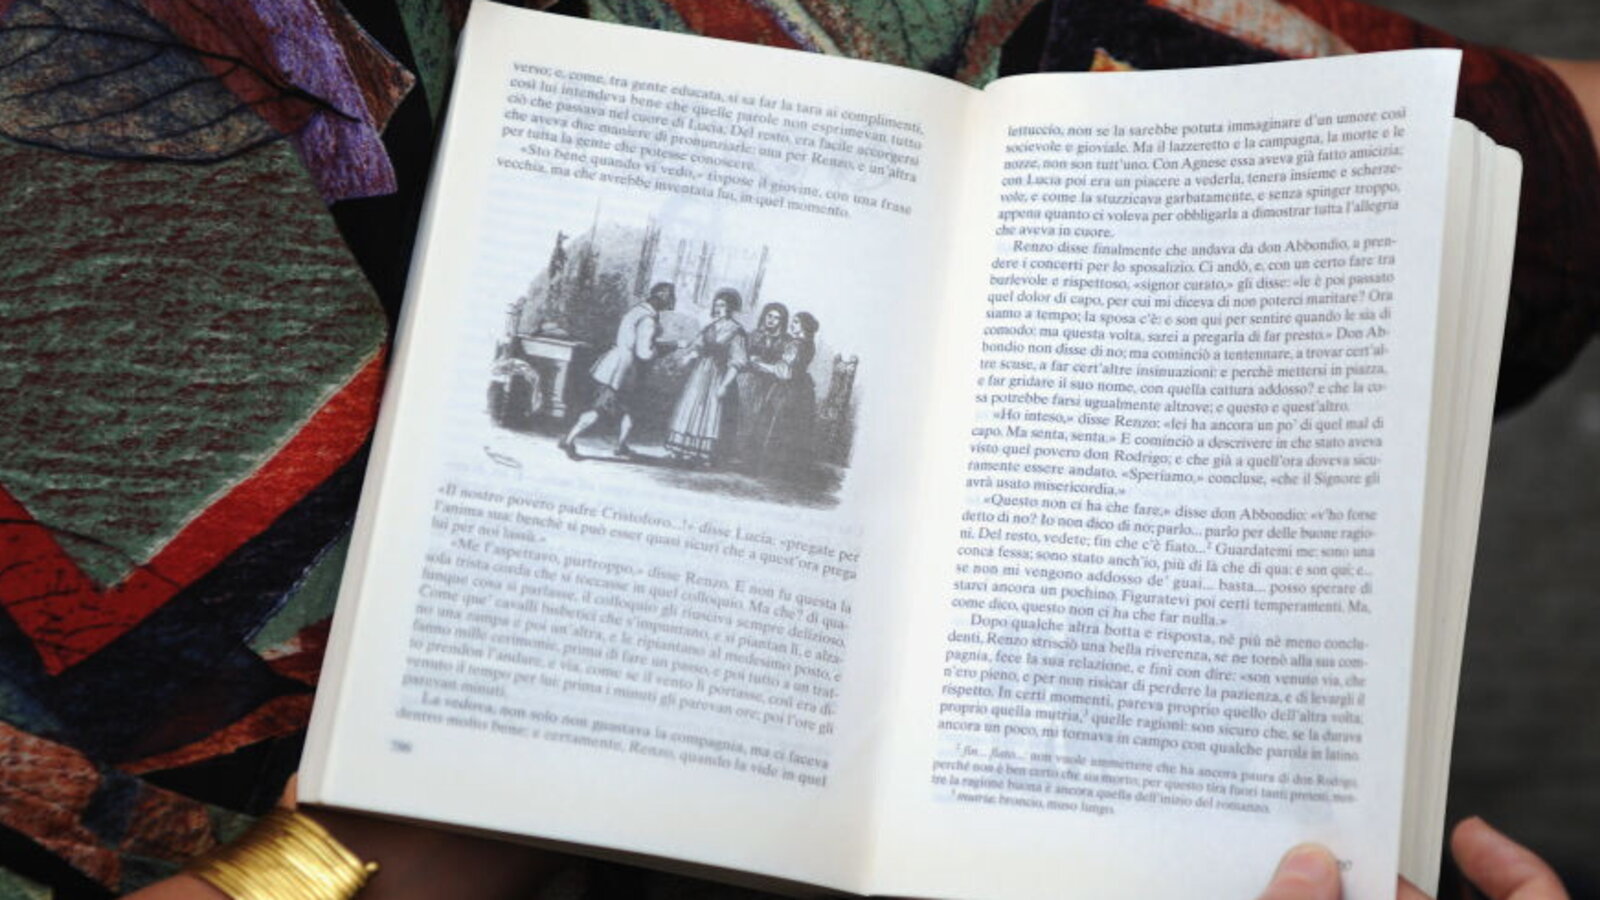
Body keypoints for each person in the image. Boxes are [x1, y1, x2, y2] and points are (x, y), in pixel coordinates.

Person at [558, 282, 676, 459]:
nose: (669, 304)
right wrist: (670, 347)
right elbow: (644, 353)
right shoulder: (647, 320)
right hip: (623, 369)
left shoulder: (636, 311)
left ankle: (621, 445)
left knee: (629, 408)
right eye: (668, 299)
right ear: (661, 297)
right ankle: (569, 439)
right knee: (601, 407)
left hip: (617, 363)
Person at [664, 288, 748, 466]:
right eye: (716, 305)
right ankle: (682, 449)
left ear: (731, 307)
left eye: (722, 305)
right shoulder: (709, 327)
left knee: (711, 411)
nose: (718, 309)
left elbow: (737, 361)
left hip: (718, 375)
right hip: (700, 373)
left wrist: (724, 385)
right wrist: (686, 358)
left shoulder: (736, 331)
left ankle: (703, 453)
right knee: (691, 406)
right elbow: (698, 347)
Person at [743, 310, 819, 478]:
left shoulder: (795, 344)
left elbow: (783, 372)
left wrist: (759, 364)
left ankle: (761, 467)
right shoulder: (810, 344)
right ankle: (782, 470)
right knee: (790, 428)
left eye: (796, 322)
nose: (792, 325)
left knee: (772, 424)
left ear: (804, 326)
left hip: (786, 390)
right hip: (801, 389)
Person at [735, 301, 790, 461]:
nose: (771, 320)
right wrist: (760, 365)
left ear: (782, 321)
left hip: (773, 385)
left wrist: (765, 366)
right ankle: (740, 452)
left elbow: (783, 367)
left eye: (776, 318)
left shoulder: (786, 341)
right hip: (750, 382)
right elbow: (749, 360)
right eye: (769, 316)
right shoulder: (755, 335)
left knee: (765, 419)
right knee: (746, 415)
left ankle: (755, 457)